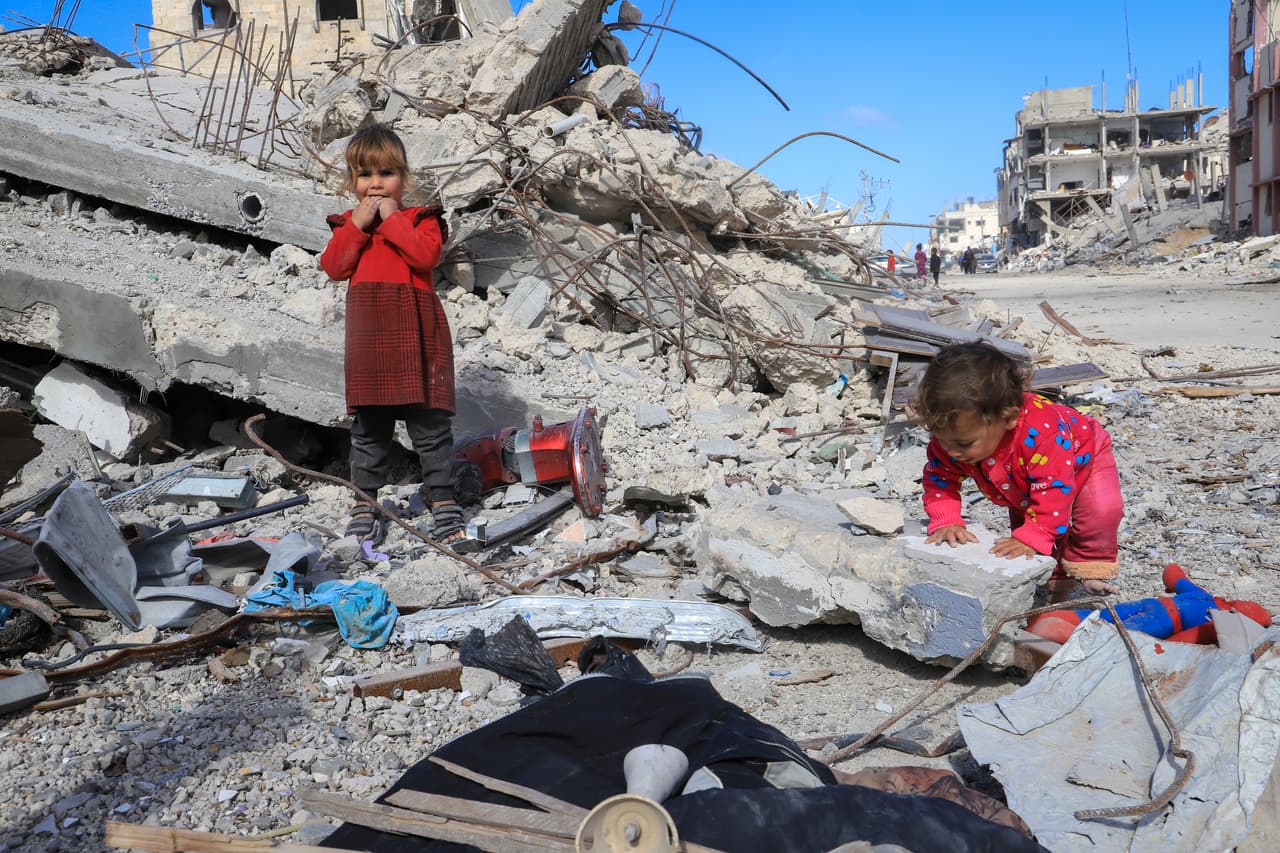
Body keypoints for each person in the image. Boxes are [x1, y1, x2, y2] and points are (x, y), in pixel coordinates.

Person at [320, 124, 465, 547]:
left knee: (430, 425)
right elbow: (334, 267)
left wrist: (390, 219)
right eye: (365, 175)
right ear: (352, 183)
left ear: (405, 178)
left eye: (386, 173)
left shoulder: (422, 220)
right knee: (369, 427)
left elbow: (425, 255)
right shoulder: (347, 225)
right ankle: (364, 503)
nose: (376, 184)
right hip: (371, 341)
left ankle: (443, 501)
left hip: (417, 336)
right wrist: (361, 225)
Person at [915, 342, 1123, 596]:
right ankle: (1056, 577)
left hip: (1084, 455)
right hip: (1024, 482)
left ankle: (1091, 570)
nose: (952, 452)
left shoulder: (1042, 433)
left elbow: (1053, 491)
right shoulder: (956, 438)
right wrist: (945, 520)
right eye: (942, 440)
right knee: (1030, 523)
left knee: (1100, 512)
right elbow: (939, 479)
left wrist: (1031, 537)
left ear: (1008, 418)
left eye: (964, 444)